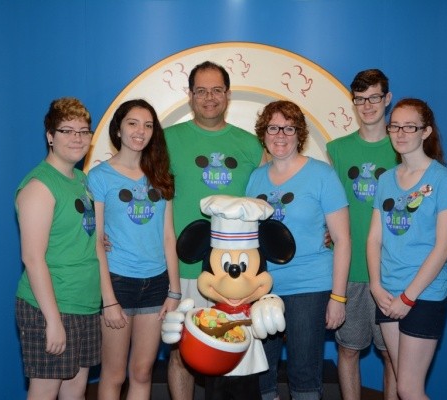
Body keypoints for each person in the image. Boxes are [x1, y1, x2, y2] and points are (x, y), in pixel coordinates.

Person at [164, 60, 265, 400]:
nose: (209, 97)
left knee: (227, 349)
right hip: (183, 268)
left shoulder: (250, 145)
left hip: (233, 274)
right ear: (190, 95)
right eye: (201, 91)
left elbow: (274, 195)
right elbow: (137, 186)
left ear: (228, 94)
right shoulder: (166, 140)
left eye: (217, 90)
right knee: (181, 350)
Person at [246, 100, 351, 400]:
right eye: (273, 128)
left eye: (289, 128)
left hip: (309, 286)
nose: (281, 135)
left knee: (304, 374)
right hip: (262, 289)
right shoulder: (255, 179)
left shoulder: (322, 175)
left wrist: (338, 298)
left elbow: (342, 239)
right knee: (260, 374)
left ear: (299, 133)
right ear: (263, 133)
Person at [367, 98, 447, 400]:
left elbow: (443, 248)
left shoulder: (444, 180)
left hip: (424, 295)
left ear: (426, 131)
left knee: (408, 388)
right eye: (395, 125)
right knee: (396, 378)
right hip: (388, 294)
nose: (400, 133)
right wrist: (376, 286)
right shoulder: (384, 180)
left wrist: (408, 297)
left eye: (410, 126)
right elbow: (374, 239)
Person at [87, 99, 180, 400]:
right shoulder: (100, 177)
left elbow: (168, 236)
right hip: (118, 283)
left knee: (142, 373)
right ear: (118, 128)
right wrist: (109, 300)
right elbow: (96, 241)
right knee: (113, 375)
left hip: (156, 285)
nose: (141, 131)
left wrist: (174, 291)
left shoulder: (160, 175)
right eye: (133, 123)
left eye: (148, 125)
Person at [15, 97, 101, 400]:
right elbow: (32, 258)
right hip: (51, 306)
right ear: (50, 136)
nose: (77, 138)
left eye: (84, 131)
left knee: (76, 390)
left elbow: (72, 233)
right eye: (67, 131)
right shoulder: (39, 186)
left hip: (85, 303)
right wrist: (52, 321)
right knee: (45, 390)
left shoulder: (80, 178)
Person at [326, 69, 398, 400]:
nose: (367, 105)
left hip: (392, 274)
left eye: (373, 97)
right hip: (350, 270)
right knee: (348, 351)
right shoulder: (337, 150)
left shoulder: (402, 149)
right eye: (360, 99)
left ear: (387, 99)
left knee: (393, 356)